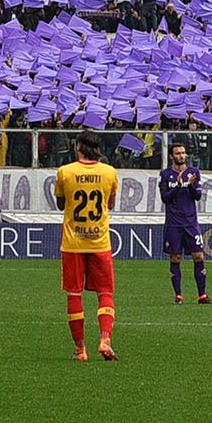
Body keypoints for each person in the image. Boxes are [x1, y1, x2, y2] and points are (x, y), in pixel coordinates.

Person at [58, 130, 121, 361]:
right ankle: (105, 339)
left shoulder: (66, 172)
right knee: (105, 292)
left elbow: (60, 203)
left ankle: (80, 349)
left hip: (73, 243)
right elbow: (110, 204)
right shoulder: (109, 172)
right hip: (100, 242)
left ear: (78, 147)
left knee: (74, 294)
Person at [159, 143, 210, 305]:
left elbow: (197, 196)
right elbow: (165, 198)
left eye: (183, 153)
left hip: (190, 222)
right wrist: (179, 185)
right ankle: (178, 295)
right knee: (175, 257)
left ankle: (202, 295)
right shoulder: (166, 174)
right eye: (178, 153)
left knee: (198, 255)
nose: (181, 156)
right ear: (172, 156)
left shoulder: (194, 173)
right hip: (173, 223)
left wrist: (190, 185)